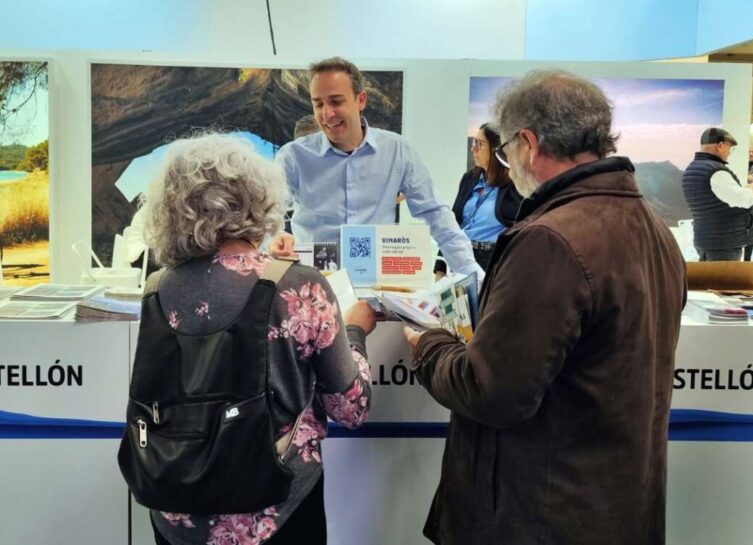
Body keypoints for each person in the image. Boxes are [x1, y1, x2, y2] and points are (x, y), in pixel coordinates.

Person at [403, 70, 687, 545]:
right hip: (615, 505)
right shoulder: (652, 227)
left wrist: (429, 343)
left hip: (540, 512)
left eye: (505, 150)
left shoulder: (550, 240)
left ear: (529, 144)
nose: (506, 162)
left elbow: (491, 390)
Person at [138, 133, 376, 545]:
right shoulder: (299, 285)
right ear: (256, 197)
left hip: (175, 507)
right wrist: (355, 331)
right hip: (276, 511)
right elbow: (351, 408)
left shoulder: (157, 288)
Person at [275, 56, 482, 279]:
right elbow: (266, 216)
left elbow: (437, 216)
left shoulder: (397, 150)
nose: (327, 113)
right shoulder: (293, 157)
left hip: (377, 286)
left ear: (361, 100)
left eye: (336, 102)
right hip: (312, 284)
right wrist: (275, 238)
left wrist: (475, 278)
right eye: (318, 104)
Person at [434, 122, 522, 275]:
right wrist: (440, 268)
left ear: (497, 150)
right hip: (461, 259)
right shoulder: (470, 178)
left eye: (480, 144)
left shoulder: (516, 185)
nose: (473, 148)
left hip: (494, 263)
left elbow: (522, 232)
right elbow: (453, 224)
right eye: (474, 142)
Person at [681, 128, 753, 261]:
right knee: (723, 275)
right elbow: (739, 199)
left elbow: (720, 198)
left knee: (711, 274)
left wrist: (744, 190)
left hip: (708, 238)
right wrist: (752, 189)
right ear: (720, 146)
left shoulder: (693, 169)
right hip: (723, 242)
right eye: (729, 147)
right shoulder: (716, 172)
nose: (729, 152)